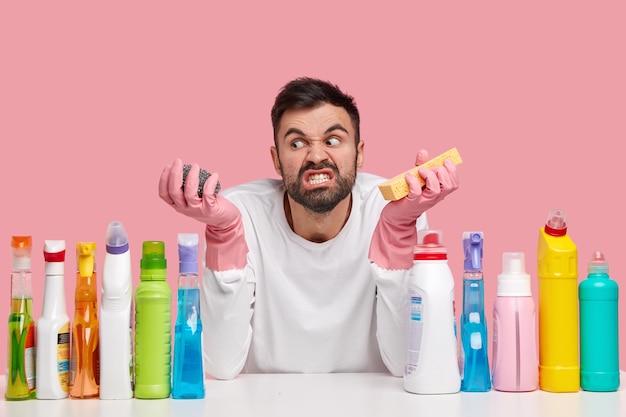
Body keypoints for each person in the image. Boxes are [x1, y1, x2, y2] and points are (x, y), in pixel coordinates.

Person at [158, 77, 459, 379]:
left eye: (332, 140)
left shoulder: (394, 210)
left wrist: (398, 234)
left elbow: (405, 363)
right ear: (276, 160)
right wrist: (225, 237)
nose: (316, 157)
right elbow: (220, 366)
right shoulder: (240, 215)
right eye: (297, 143)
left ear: (360, 152)